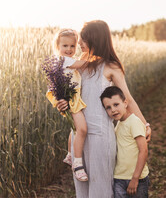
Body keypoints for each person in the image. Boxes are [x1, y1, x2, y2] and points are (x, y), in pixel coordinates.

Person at [57, 20, 151, 198]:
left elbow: (128, 100)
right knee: (82, 189)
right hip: (79, 135)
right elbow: (69, 96)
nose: (79, 42)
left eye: (83, 38)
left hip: (100, 136)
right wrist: (61, 104)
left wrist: (145, 124)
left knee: (100, 189)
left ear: (94, 39)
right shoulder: (78, 64)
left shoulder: (110, 66)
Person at [46, 28, 89, 181]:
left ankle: (70, 155)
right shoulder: (64, 60)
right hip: (71, 100)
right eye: (65, 46)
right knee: (82, 129)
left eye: (72, 46)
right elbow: (84, 65)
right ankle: (77, 165)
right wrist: (98, 56)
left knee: (74, 129)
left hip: (70, 98)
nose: (69, 49)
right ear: (58, 46)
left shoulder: (60, 61)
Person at [100, 86, 149, 198]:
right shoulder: (118, 125)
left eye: (116, 104)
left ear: (125, 103)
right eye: (108, 107)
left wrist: (135, 178)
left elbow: (144, 151)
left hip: (137, 179)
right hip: (119, 178)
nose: (113, 110)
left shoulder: (134, 122)